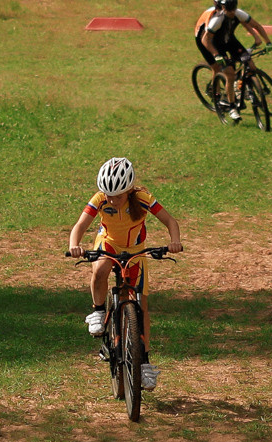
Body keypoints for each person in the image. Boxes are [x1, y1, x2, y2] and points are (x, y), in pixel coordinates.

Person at [67, 156, 185, 392]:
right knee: (100, 269)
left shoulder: (143, 199)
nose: (112, 199)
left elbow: (170, 221)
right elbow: (80, 225)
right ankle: (98, 311)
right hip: (109, 243)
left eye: (118, 196)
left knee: (142, 306)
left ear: (129, 190)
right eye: (108, 194)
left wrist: (175, 241)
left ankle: (144, 362)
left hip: (135, 250)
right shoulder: (100, 199)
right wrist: (74, 245)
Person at [194, 0, 272, 122]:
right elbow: (205, 40)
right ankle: (229, 104)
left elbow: (256, 25)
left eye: (233, 9)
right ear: (223, 8)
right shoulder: (216, 20)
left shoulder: (239, 13)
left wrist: (267, 42)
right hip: (213, 43)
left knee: (250, 64)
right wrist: (216, 55)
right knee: (227, 73)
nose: (231, 12)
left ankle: (246, 87)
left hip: (229, 39)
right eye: (229, 10)